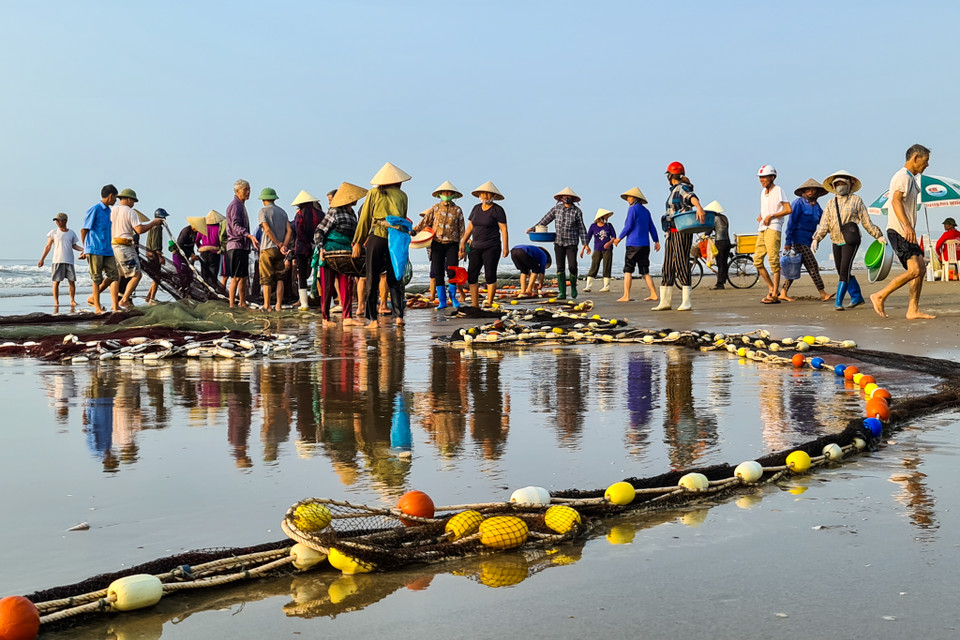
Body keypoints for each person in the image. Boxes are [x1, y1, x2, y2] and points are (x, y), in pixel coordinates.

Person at [870, 144, 935, 319]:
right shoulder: (902, 177)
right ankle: (879, 295)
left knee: (920, 268)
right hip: (899, 231)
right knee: (914, 270)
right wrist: (907, 225)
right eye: (925, 161)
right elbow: (895, 202)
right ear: (915, 158)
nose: (927, 165)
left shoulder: (911, 179)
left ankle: (913, 309)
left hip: (907, 232)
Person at [811, 170, 884, 310]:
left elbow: (866, 221)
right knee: (841, 270)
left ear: (849, 185)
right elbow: (824, 223)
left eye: (842, 183)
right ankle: (856, 297)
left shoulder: (856, 200)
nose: (840, 186)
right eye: (837, 184)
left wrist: (878, 235)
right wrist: (816, 239)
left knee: (844, 271)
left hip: (851, 240)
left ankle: (838, 302)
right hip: (835, 240)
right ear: (833, 186)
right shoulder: (830, 203)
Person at [352, 162, 412, 327]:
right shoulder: (402, 196)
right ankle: (399, 316)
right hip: (396, 239)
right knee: (395, 278)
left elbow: (364, 219)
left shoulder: (373, 193)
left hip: (377, 237)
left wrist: (357, 241)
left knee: (372, 276)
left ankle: (373, 320)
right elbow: (403, 218)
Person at [653, 164, 706, 311]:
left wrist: (699, 207)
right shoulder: (673, 191)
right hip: (671, 232)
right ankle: (665, 301)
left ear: (671, 176)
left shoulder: (682, 187)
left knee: (682, 262)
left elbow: (691, 197)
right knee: (668, 265)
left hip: (681, 231)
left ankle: (686, 302)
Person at [317, 182, 365, 326]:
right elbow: (319, 231)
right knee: (328, 286)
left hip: (346, 251)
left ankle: (347, 317)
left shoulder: (352, 214)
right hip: (330, 250)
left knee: (347, 284)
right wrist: (321, 248)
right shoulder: (334, 211)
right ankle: (325, 319)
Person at [528, 187, 589, 299]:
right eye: (565, 197)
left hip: (572, 242)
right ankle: (562, 292)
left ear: (573, 199)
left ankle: (573, 286)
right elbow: (545, 220)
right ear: (561, 198)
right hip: (559, 242)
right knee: (560, 267)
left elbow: (581, 228)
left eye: (569, 197)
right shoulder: (556, 209)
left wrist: (585, 244)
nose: (566, 198)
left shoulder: (577, 211)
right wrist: (533, 229)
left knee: (572, 266)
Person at [110, 188, 163, 309]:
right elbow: (139, 230)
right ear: (128, 199)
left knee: (117, 276)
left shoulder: (111, 210)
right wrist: (153, 223)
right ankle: (124, 300)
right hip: (125, 248)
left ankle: (114, 306)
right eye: (133, 201)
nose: (133, 204)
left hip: (113, 247)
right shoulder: (130, 211)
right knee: (136, 275)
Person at [415, 181, 465, 309]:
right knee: (438, 272)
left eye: (449, 193)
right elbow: (424, 222)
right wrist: (414, 231)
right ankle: (442, 301)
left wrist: (462, 246)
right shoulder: (435, 208)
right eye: (444, 193)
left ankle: (453, 297)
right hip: (437, 244)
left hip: (452, 244)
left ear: (453, 195)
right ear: (440, 194)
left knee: (452, 270)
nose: (446, 194)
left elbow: (462, 230)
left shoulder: (457, 210)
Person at [780, 179, 831, 301]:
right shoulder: (798, 203)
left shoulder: (817, 207)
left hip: (808, 240)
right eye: (809, 190)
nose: (811, 192)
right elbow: (791, 223)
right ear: (804, 191)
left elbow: (824, 221)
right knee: (813, 265)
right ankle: (823, 293)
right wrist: (787, 242)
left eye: (814, 190)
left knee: (795, 267)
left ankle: (783, 292)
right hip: (797, 239)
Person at [460, 181, 509, 307]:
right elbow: (470, 226)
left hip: (492, 247)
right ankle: (475, 304)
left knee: (490, 274)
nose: (485, 197)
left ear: (492, 196)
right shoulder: (476, 208)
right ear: (479, 195)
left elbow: (503, 228)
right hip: (475, 246)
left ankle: (489, 301)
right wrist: (463, 241)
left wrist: (505, 247)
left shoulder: (498, 210)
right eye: (483, 195)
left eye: (487, 195)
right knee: (472, 275)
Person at [753, 165, 792, 304]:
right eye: (760, 177)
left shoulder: (778, 190)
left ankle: (775, 294)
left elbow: (788, 209)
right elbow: (766, 208)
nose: (761, 180)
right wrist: (762, 216)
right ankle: (771, 287)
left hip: (774, 228)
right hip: (762, 228)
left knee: (773, 261)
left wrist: (772, 216)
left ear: (772, 177)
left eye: (764, 177)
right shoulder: (763, 192)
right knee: (757, 260)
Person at [614, 187, 660, 301]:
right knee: (645, 270)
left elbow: (628, 226)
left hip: (633, 244)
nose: (628, 199)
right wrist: (656, 241)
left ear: (635, 198)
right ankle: (653, 294)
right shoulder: (646, 211)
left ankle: (626, 295)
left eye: (629, 197)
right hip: (645, 245)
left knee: (628, 270)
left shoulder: (632, 209)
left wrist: (619, 238)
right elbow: (652, 227)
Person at [81, 184, 119, 313]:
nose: (116, 200)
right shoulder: (95, 209)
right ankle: (97, 307)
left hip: (107, 248)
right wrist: (85, 248)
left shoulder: (109, 211)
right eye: (115, 197)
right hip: (94, 248)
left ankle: (94, 299)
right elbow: (84, 229)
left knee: (114, 274)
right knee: (96, 278)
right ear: (110, 196)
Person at [38, 212, 84, 309]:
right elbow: (48, 246)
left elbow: (74, 245)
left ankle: (72, 300)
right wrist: (42, 259)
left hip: (69, 260)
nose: (57, 222)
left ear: (65, 221)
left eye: (59, 220)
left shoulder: (71, 233)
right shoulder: (53, 232)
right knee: (56, 282)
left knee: (71, 281)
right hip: (57, 260)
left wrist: (83, 249)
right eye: (56, 221)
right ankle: (56, 301)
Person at [257, 188, 292, 312]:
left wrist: (277, 242)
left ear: (263, 200)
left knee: (266, 278)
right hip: (280, 251)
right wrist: (283, 246)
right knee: (280, 277)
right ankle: (278, 305)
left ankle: (267, 305)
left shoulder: (263, 211)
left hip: (267, 248)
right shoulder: (283, 212)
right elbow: (289, 231)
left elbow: (266, 229)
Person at [226, 179, 259, 308]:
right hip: (236, 245)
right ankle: (231, 303)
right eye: (245, 189)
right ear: (237, 191)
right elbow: (235, 225)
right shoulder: (235, 206)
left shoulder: (241, 205)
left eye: (249, 189)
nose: (248, 192)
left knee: (244, 276)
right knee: (236, 277)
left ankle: (242, 302)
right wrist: (248, 235)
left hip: (243, 246)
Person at [290, 190, 322, 310]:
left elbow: (299, 231)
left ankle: (304, 304)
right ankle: (327, 301)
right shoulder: (321, 214)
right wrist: (315, 243)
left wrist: (307, 242)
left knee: (302, 275)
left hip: (302, 248)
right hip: (318, 246)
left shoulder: (299, 214)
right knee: (320, 273)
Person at [582, 209, 616, 292]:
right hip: (597, 249)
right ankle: (588, 286)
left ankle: (606, 286)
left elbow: (614, 236)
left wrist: (609, 243)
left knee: (607, 266)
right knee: (594, 266)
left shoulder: (609, 226)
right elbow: (587, 238)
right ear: (601, 217)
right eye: (606, 216)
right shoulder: (593, 226)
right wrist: (583, 248)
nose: (607, 218)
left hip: (608, 250)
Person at [143, 208, 169, 304]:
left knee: (155, 277)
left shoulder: (152, 226)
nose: (164, 220)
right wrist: (160, 256)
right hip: (153, 255)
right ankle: (152, 299)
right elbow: (155, 244)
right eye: (163, 218)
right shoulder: (157, 227)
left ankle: (148, 297)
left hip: (149, 254)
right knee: (157, 278)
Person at [710, 204, 731, 289]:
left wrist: (705, 234)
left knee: (720, 263)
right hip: (727, 241)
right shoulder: (724, 218)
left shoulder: (715, 218)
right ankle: (723, 280)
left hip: (720, 242)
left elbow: (710, 229)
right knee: (724, 263)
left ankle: (720, 283)